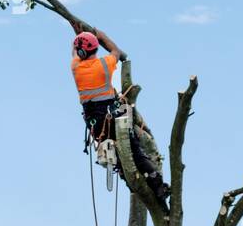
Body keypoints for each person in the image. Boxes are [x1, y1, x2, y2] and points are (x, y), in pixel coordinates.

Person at [70, 24, 170, 213]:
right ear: (96, 48)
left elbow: (74, 52)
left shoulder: (75, 68)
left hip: (96, 124)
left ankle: (130, 180)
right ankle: (157, 184)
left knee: (116, 156)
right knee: (135, 151)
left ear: (80, 51)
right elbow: (115, 51)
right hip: (112, 117)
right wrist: (101, 35)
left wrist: (78, 39)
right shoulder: (105, 64)